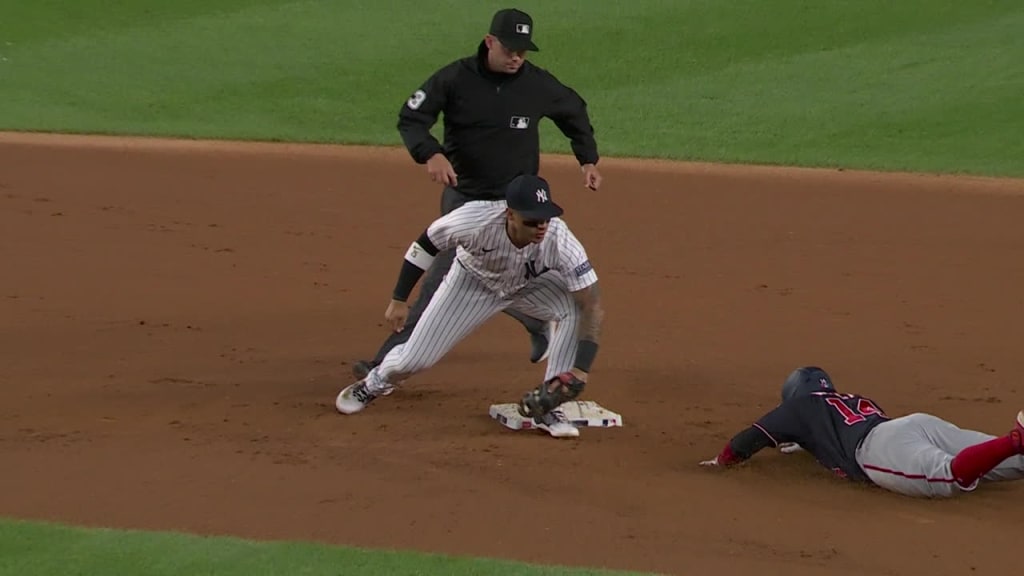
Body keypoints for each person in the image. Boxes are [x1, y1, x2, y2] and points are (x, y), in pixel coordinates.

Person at [350, 7, 603, 379]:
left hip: (518, 206)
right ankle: (387, 362)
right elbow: (412, 117)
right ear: (490, 42)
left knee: (498, 277)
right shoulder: (455, 79)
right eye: (510, 48)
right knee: (446, 278)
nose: (517, 56)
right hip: (466, 199)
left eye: (523, 50)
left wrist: (588, 159)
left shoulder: (537, 84)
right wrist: (430, 153)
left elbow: (574, 112)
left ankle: (384, 364)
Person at [336, 174, 604, 439]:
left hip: (529, 286)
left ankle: (550, 405)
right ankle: (373, 383)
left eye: (545, 218)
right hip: (472, 284)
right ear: (510, 214)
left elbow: (592, 302)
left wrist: (580, 370)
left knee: (577, 307)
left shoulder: (559, 238)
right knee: (413, 360)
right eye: (532, 221)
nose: (541, 227)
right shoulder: (473, 220)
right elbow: (425, 244)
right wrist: (399, 298)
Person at [698, 366, 1024, 498]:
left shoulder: (798, 408)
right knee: (1017, 464)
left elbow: (746, 441)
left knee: (951, 475)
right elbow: (826, 434)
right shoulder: (850, 401)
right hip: (914, 425)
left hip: (876, 449)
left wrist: (719, 462)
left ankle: (1015, 439)